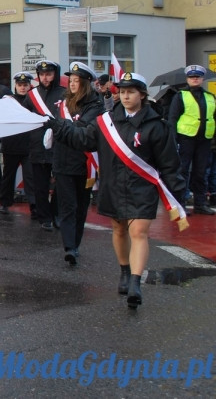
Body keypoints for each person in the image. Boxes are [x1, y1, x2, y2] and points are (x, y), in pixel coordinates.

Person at [51, 72, 185, 309]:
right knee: (119, 229)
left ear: (142, 95)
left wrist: (178, 196)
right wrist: (57, 125)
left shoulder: (157, 126)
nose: (125, 96)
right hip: (113, 186)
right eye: (122, 92)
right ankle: (124, 271)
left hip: (142, 188)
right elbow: (83, 138)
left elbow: (169, 164)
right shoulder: (106, 121)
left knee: (139, 233)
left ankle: (135, 282)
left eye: (131, 92)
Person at [50, 62, 102, 266]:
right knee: (67, 206)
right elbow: (62, 127)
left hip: (84, 162)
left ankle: (76, 244)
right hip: (62, 161)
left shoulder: (95, 105)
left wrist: (58, 126)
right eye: (70, 80)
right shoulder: (63, 102)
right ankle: (69, 247)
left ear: (86, 83)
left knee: (81, 206)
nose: (72, 84)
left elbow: (82, 130)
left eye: (76, 81)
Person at [23, 59, 65, 230]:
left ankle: (56, 214)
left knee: (60, 184)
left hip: (59, 144)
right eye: (42, 74)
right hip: (38, 144)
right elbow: (25, 117)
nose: (45, 78)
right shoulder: (32, 95)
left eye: (49, 74)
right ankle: (44, 217)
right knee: (40, 185)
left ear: (55, 75)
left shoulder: (64, 93)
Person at [168, 64, 216, 215]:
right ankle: (180, 203)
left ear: (202, 79)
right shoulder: (180, 96)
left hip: (205, 140)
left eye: (197, 77)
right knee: (182, 172)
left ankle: (200, 204)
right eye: (192, 77)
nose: (195, 79)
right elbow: (172, 119)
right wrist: (174, 140)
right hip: (185, 138)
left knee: (201, 172)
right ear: (187, 79)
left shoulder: (210, 97)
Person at [0, 72, 34, 214]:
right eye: (20, 85)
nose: (22, 88)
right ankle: (4, 202)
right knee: (8, 176)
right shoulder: (8, 100)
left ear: (29, 86)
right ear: (15, 86)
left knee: (30, 178)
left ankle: (34, 205)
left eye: (25, 85)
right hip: (11, 144)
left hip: (28, 145)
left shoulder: (34, 100)